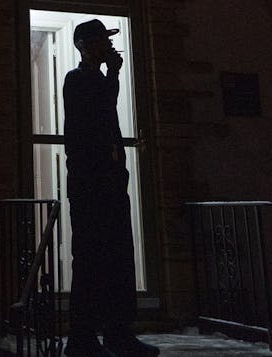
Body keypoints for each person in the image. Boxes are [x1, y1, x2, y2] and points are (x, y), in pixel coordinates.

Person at [62, 18, 157, 357]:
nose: (109, 46)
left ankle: (118, 333)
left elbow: (107, 110)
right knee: (89, 259)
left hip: (112, 184)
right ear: (86, 46)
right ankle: (83, 338)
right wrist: (114, 75)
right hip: (90, 188)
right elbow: (99, 111)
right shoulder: (77, 80)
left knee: (117, 258)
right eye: (102, 41)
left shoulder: (99, 80)